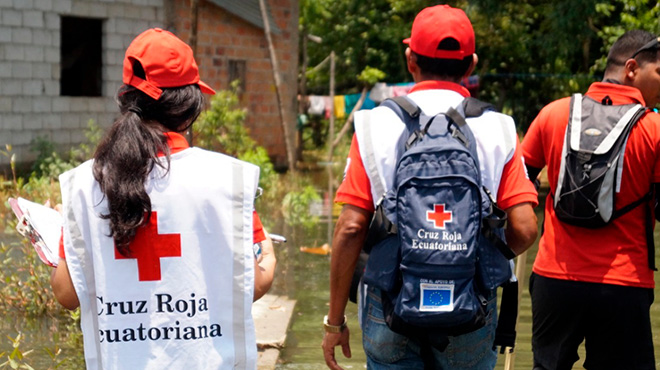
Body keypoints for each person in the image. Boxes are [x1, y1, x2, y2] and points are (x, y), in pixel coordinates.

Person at [321, 5, 538, 369]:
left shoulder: (374, 124)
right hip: (469, 301)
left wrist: (335, 321)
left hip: (388, 300)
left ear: (410, 59)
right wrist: (474, 263)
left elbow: (351, 228)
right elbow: (525, 228)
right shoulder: (499, 126)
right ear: (471, 64)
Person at [50, 28, 276, 369]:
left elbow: (67, 294)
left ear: (127, 99)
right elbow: (253, 285)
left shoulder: (86, 184)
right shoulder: (226, 181)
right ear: (189, 107)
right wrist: (269, 253)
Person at [522, 30, 660, 370]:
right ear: (631, 69)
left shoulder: (553, 114)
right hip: (623, 285)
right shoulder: (655, 129)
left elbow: (516, 184)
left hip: (554, 280)